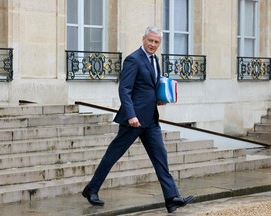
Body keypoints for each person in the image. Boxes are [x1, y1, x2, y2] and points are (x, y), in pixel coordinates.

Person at [82, 26, 196, 213]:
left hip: (151, 119)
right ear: (143, 39)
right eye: (150, 40)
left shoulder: (155, 60)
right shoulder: (133, 59)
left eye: (156, 42)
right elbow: (124, 90)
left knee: (161, 157)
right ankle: (91, 189)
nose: (152, 44)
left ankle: (171, 198)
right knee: (113, 154)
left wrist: (159, 99)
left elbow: (150, 86)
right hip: (133, 120)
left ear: (159, 43)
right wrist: (131, 115)